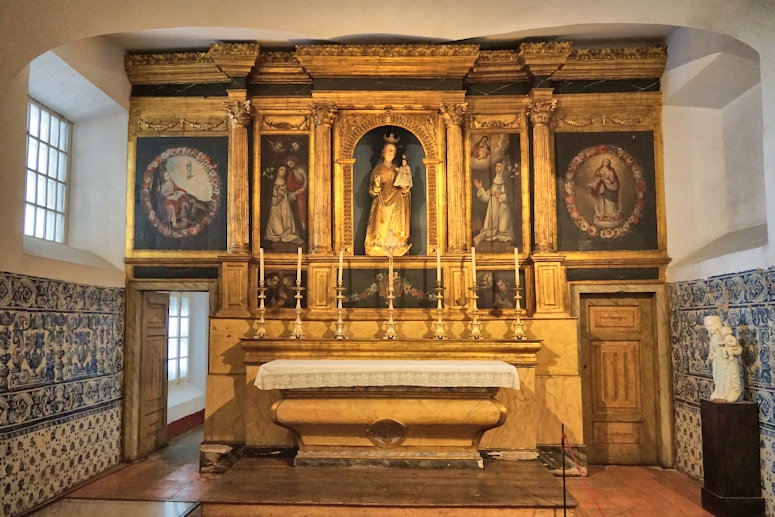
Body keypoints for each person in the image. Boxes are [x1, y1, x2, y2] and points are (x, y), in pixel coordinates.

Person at [364, 135, 412, 256]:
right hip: (382, 198)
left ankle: (396, 245)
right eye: (388, 150)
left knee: (395, 222)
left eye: (393, 150)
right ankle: (379, 244)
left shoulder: (397, 169)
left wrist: (405, 189)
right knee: (381, 221)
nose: (390, 152)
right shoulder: (378, 168)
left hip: (396, 199)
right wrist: (377, 184)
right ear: (383, 152)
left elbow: (403, 182)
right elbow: (373, 190)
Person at [473, 161, 514, 246]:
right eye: (496, 166)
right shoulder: (494, 182)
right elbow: (486, 197)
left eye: (499, 166)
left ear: (503, 168)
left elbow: (511, 197)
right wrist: (480, 189)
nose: (497, 168)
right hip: (494, 208)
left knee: (503, 230)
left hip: (504, 208)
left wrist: (500, 196)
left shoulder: (507, 181)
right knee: (492, 199)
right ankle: (492, 229)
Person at [264, 165, 304, 246]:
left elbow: (289, 197)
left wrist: (295, 193)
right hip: (275, 210)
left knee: (287, 230)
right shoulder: (272, 183)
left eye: (285, 170)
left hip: (285, 209)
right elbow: (267, 200)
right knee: (280, 232)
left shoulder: (285, 184)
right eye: (281, 170)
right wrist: (277, 198)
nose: (284, 172)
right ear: (277, 171)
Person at [156, 161, 191, 229]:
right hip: (167, 199)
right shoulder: (163, 185)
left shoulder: (172, 182)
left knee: (183, 202)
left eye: (168, 175)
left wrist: (181, 192)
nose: (168, 176)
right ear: (163, 177)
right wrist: (168, 194)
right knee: (171, 206)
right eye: (166, 176)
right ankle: (173, 222)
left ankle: (183, 217)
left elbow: (176, 188)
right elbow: (161, 194)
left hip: (174, 198)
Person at [589, 157, 621, 223]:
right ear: (602, 162)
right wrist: (600, 178)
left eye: (607, 161)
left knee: (609, 200)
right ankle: (602, 214)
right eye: (604, 161)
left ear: (609, 163)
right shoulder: (599, 170)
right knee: (602, 200)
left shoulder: (611, 170)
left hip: (610, 186)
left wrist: (608, 178)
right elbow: (595, 177)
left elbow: (613, 179)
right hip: (602, 186)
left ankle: (611, 214)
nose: (605, 162)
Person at [284, 155, 308, 232]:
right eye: (289, 165)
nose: (290, 166)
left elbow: (306, 180)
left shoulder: (301, 170)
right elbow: (289, 183)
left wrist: (303, 188)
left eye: (291, 164)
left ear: (294, 162)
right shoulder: (290, 172)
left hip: (302, 192)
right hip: (294, 192)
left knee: (302, 209)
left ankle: (303, 228)